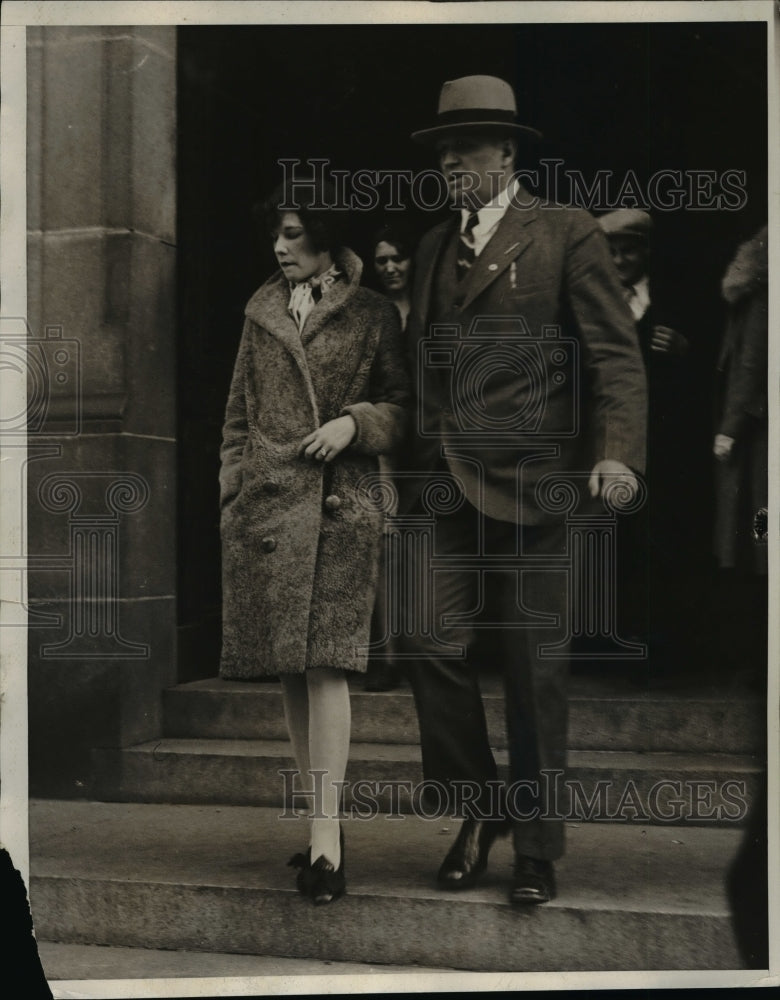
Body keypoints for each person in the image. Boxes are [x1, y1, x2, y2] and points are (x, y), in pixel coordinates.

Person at [399, 76, 647, 905]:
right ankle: (481, 808)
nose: (449, 161)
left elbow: (613, 353)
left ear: (507, 152)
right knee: (426, 639)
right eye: (441, 148)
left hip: (538, 488)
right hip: (445, 488)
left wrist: (618, 454)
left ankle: (535, 848)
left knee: (534, 668)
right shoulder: (435, 247)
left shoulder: (566, 232)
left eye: (464, 146)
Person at [219, 180, 410, 904]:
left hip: (338, 510)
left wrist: (355, 425)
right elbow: (237, 414)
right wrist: (232, 489)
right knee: (292, 674)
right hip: (269, 512)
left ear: (327, 239)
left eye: (294, 234)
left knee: (327, 668)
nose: (279, 246)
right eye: (277, 233)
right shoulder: (261, 312)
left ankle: (327, 841)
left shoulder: (369, 314)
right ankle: (315, 823)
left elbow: (402, 407)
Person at [597, 209, 690, 669]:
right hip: (609, 444)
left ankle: (658, 646)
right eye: (611, 252)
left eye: (628, 250)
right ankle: (610, 646)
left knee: (657, 539)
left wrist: (684, 351)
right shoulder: (593, 304)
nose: (620, 260)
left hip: (661, 447)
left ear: (645, 252)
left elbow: (711, 363)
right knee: (609, 542)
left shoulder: (671, 301)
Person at [712, 223, 768, 685]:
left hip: (759, 436)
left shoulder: (760, 303)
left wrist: (727, 431)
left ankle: (758, 662)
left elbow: (749, 366)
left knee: (761, 537)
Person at [364, 222, 418, 692]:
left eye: (397, 258)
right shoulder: (374, 313)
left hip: (433, 441)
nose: (389, 268)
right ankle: (387, 656)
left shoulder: (431, 309)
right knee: (385, 543)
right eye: (381, 261)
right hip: (389, 442)